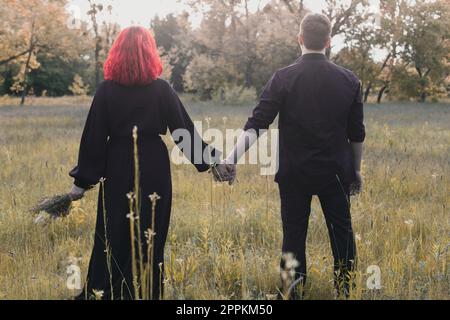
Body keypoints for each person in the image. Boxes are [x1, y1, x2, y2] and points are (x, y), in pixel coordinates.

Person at [217, 13, 366, 298]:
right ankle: (345, 290)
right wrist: (355, 171)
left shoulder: (283, 77)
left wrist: (231, 159)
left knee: (293, 233)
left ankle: (292, 292)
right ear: (328, 41)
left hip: (294, 172)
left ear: (300, 39)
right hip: (335, 171)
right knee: (342, 233)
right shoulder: (349, 80)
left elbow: (257, 124)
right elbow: (356, 133)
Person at [68, 26, 219, 300]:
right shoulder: (161, 90)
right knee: (151, 236)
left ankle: (105, 293)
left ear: (118, 53)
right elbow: (184, 133)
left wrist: (81, 182)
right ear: (150, 53)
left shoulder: (106, 91)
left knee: (112, 235)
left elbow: (94, 139)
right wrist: (213, 162)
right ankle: (145, 293)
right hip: (154, 168)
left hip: (116, 168)